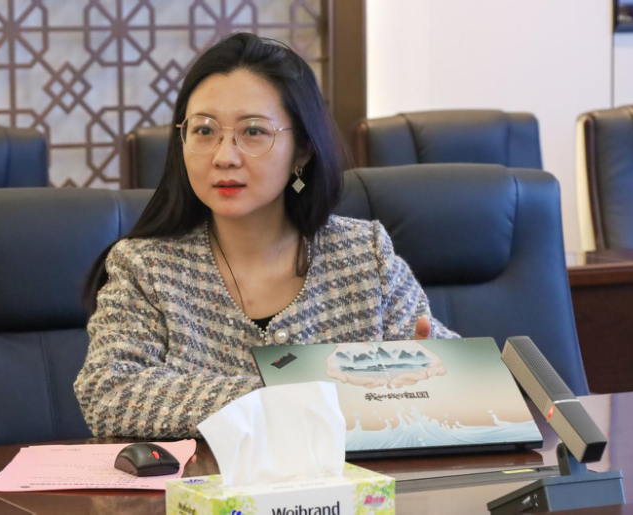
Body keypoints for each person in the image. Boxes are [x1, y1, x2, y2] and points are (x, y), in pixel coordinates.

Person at [74, 32, 458, 439]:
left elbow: (453, 379)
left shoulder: (365, 254)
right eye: (204, 131)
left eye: (253, 131)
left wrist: (436, 372)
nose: (224, 156)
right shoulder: (145, 267)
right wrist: (287, 395)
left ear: (302, 150)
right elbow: (108, 393)